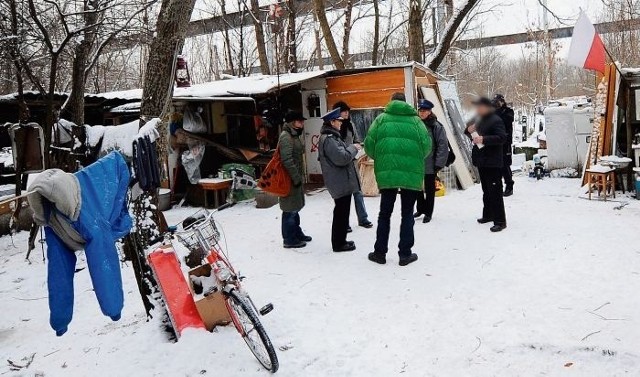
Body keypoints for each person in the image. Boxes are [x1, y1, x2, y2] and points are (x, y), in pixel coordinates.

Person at [364, 93, 431, 266]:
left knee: (384, 214)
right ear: (405, 103)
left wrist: (382, 158)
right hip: (411, 175)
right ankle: (405, 254)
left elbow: (369, 146)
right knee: (407, 213)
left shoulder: (380, 120)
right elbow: (426, 147)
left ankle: (380, 253)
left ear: (392, 102)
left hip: (388, 175)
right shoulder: (417, 122)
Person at [318, 108, 362, 252]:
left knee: (342, 212)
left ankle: (341, 240)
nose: (341, 124)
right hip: (339, 181)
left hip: (341, 180)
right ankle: (338, 243)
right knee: (341, 213)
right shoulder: (329, 139)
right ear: (332, 122)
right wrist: (353, 148)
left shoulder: (333, 137)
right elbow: (341, 158)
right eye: (339, 121)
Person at [465, 97, 508, 232]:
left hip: (493, 161)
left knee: (495, 191)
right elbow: (468, 132)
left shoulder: (496, 120)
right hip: (482, 160)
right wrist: (469, 130)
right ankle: (488, 214)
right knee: (486, 190)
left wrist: (484, 139)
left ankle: (500, 221)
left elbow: (502, 138)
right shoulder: (478, 119)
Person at [332, 101, 374, 231]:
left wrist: (357, 148)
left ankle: (363, 218)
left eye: (347, 111)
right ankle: (345, 223)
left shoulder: (350, 124)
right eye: (343, 111)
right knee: (344, 195)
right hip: (340, 165)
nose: (346, 113)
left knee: (357, 191)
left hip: (352, 162)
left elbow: (356, 140)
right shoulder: (332, 129)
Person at [279, 110, 312, 248]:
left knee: (295, 208)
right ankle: (289, 238)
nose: (302, 122)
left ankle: (296, 232)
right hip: (290, 179)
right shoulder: (286, 136)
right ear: (292, 122)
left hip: (294, 178)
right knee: (289, 210)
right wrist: (296, 177)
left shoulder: (294, 135)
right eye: (300, 120)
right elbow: (287, 160)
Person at [414, 99, 449, 224]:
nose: (421, 113)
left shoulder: (436, 126)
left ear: (429, 112)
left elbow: (442, 145)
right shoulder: (416, 124)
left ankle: (428, 212)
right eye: (420, 111)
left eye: (424, 111)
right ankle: (420, 208)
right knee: (417, 187)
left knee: (429, 189)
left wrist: (439, 163)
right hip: (417, 161)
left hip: (430, 162)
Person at [493, 94, 515, 196]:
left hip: (505, 142)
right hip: (496, 142)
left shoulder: (508, 112)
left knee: (505, 165)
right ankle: (498, 186)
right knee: (497, 165)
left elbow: (506, 120)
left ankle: (509, 186)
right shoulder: (494, 113)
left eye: (498, 102)